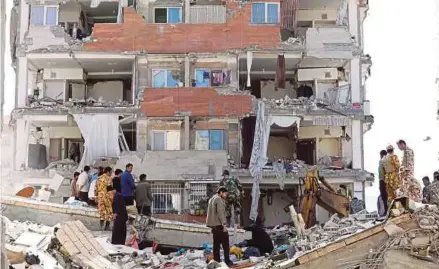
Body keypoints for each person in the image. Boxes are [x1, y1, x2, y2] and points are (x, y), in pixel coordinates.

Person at [206, 186, 232, 267]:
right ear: (220, 192)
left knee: (216, 245)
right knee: (226, 244)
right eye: (225, 193)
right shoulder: (219, 199)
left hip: (213, 226)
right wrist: (224, 224)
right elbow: (220, 212)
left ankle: (217, 261)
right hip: (219, 225)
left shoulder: (212, 199)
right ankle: (227, 261)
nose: (225, 195)